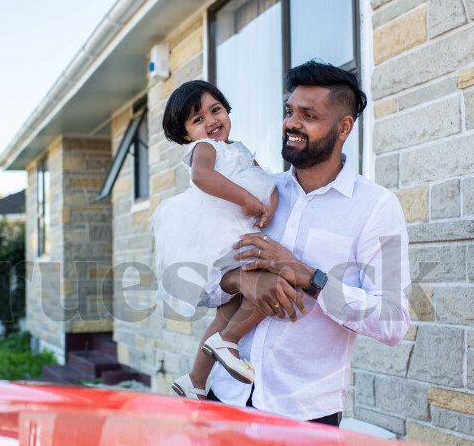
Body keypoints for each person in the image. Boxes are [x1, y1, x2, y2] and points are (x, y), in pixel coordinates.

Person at [202, 60, 411, 426]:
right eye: (289, 112)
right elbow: (204, 285)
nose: (291, 124)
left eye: (309, 115)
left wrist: (302, 272)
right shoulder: (258, 192)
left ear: (344, 126)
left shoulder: (376, 207)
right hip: (225, 398)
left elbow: (392, 321)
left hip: (304, 415)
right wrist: (240, 280)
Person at [151, 80, 280, 399]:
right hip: (223, 236)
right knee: (269, 283)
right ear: (186, 134)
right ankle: (229, 341)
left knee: (229, 308)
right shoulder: (204, 149)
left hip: (238, 232)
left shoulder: (239, 149)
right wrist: (247, 201)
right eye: (197, 119)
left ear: (227, 110)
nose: (210, 121)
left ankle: (195, 379)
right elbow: (202, 177)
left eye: (216, 110)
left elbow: (266, 181)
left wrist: (270, 204)